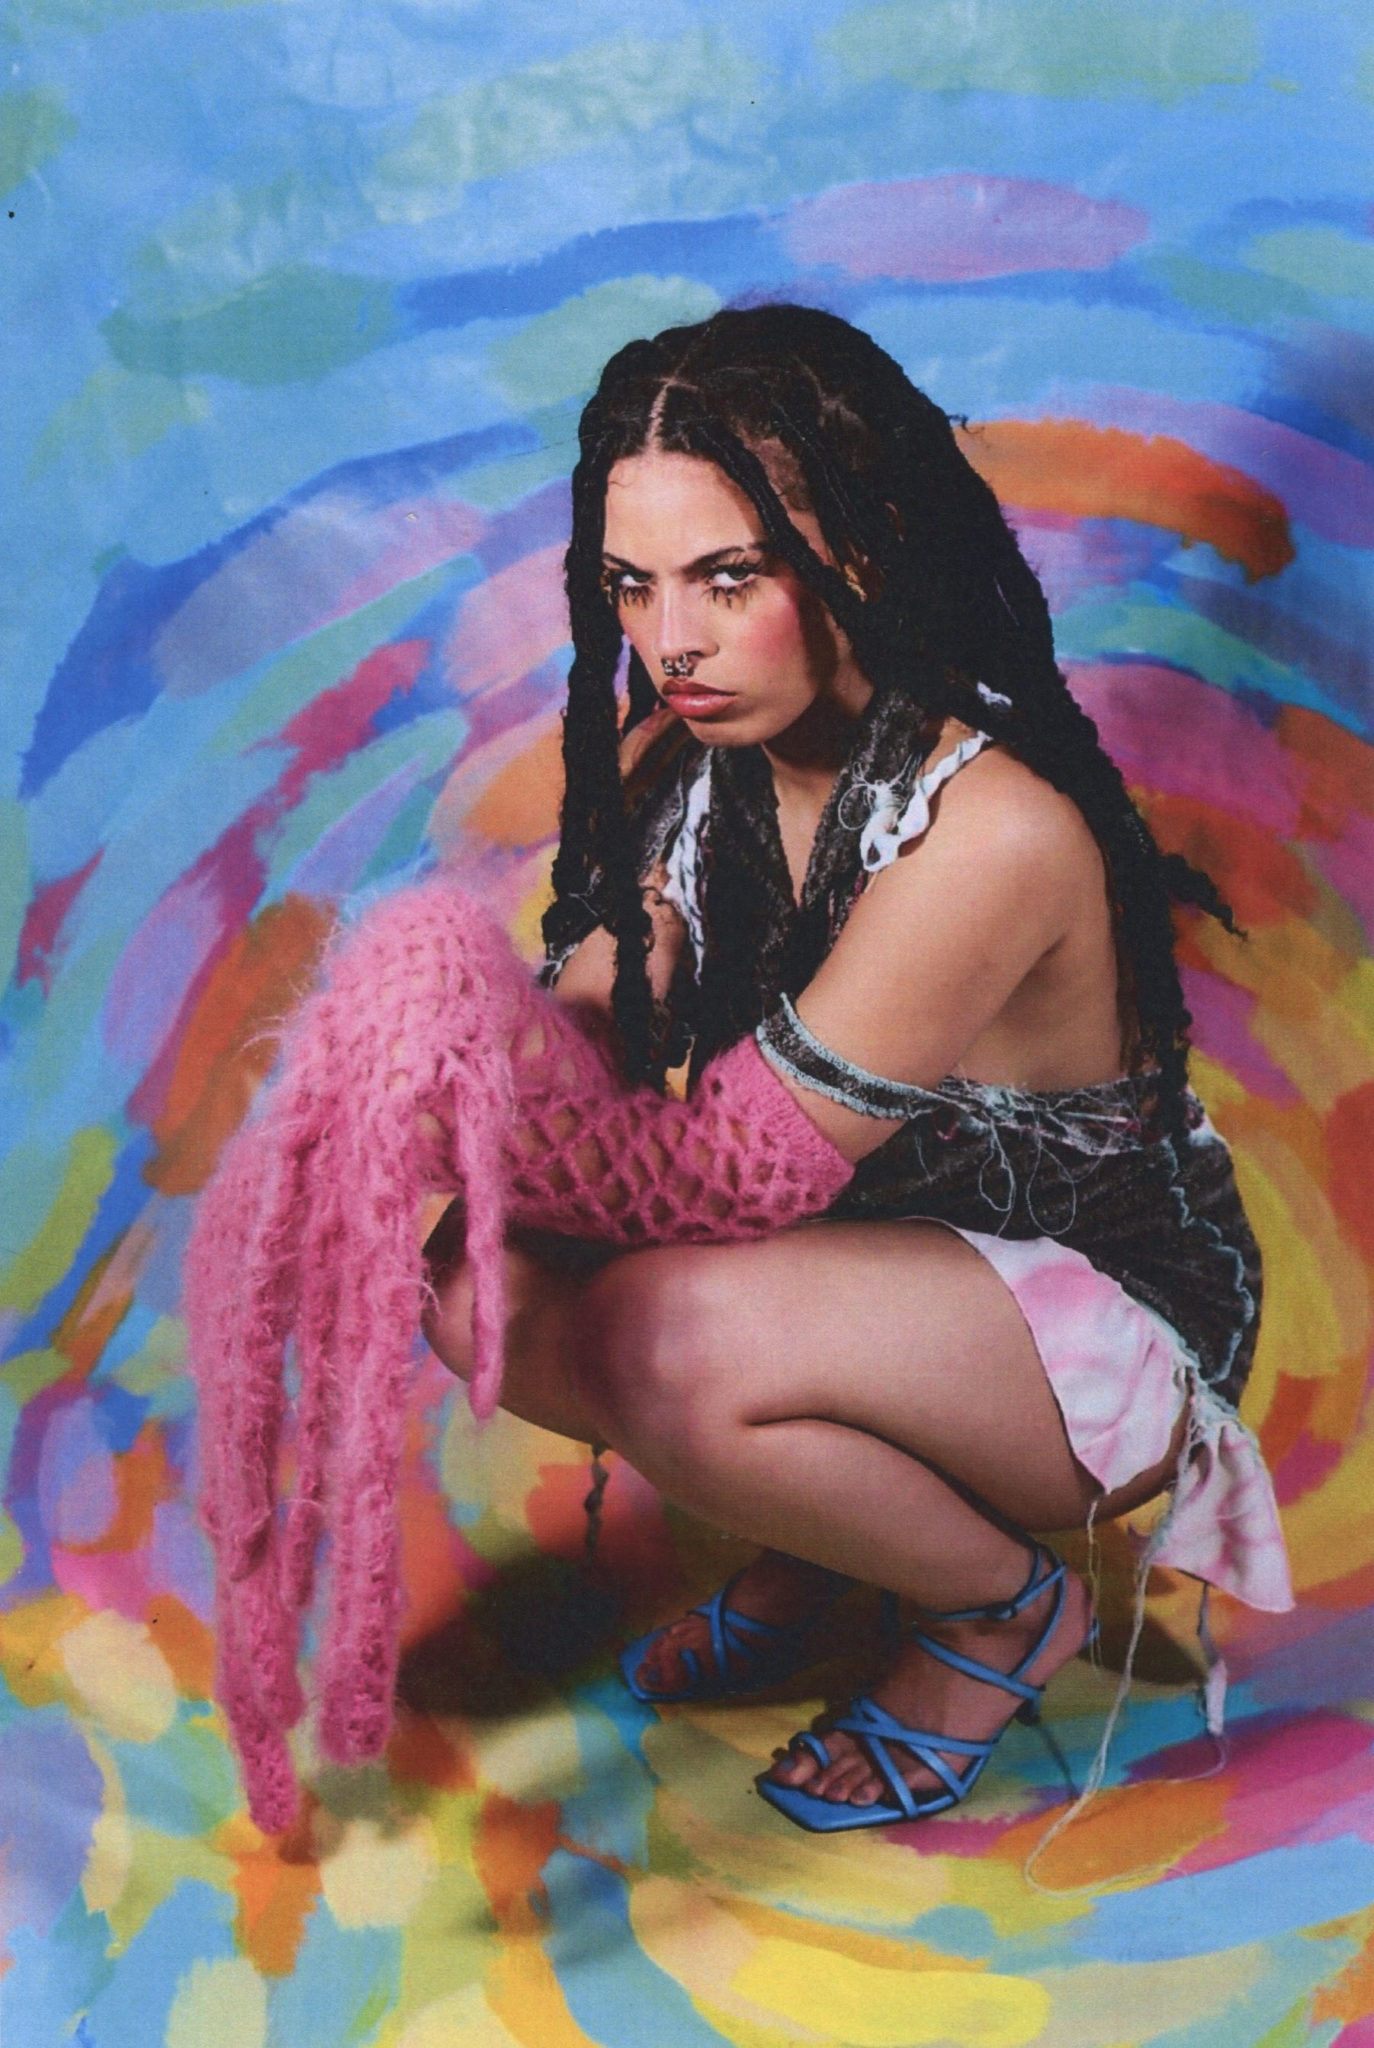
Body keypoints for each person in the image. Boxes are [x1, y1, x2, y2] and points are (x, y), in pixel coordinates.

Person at [418, 303, 1294, 1833]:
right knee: (469, 1280)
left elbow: (722, 1172)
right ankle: (843, 1535)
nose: (670, 641)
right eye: (631, 584)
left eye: (727, 577)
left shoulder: (988, 829)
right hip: (862, 1269)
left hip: (1094, 1320)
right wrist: (472, 1060)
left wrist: (437, 1107)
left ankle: (996, 1605)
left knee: (666, 1339)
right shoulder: (688, 759)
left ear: (862, 556)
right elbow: (597, 1020)